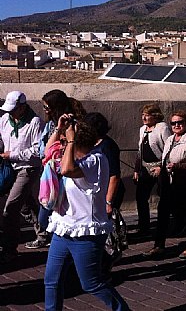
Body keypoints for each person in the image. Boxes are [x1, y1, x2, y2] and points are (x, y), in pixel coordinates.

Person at [44, 115, 130, 310]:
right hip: (63, 229)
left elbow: (66, 170)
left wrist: (71, 139)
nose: (62, 145)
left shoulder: (96, 161)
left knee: (91, 283)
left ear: (76, 142)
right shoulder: (70, 157)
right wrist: (59, 130)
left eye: (64, 142)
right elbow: (47, 153)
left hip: (85, 233)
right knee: (52, 280)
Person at [27, 90, 85, 250]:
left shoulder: (74, 123)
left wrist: (68, 136)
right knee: (45, 213)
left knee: (60, 213)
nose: (45, 110)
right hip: (52, 174)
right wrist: (58, 129)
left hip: (66, 176)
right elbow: (46, 151)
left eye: (47, 106)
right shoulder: (54, 124)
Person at [144, 110, 186, 259]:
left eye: (180, 122)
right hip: (168, 184)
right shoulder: (169, 139)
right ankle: (159, 245)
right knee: (162, 213)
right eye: (174, 123)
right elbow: (166, 159)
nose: (177, 125)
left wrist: (178, 166)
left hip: (185, 185)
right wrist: (161, 168)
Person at [0, 91, 44, 264]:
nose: (10, 113)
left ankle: (9, 248)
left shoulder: (35, 122)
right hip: (10, 167)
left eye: (14, 109)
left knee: (10, 208)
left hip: (28, 168)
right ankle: (43, 232)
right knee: (26, 204)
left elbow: (36, 150)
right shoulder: (4, 120)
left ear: (23, 107)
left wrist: (12, 154)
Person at [84, 113, 126, 271]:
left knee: (107, 230)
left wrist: (109, 201)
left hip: (109, 192)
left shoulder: (108, 146)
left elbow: (114, 175)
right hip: (97, 192)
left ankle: (109, 258)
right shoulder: (92, 144)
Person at [134, 104, 170, 236]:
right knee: (141, 197)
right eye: (143, 114)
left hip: (160, 167)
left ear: (155, 116)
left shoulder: (162, 127)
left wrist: (162, 166)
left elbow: (168, 148)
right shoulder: (142, 129)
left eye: (147, 114)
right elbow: (140, 150)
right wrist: (137, 169)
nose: (144, 117)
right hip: (145, 167)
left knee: (164, 197)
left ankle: (166, 225)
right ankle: (144, 226)